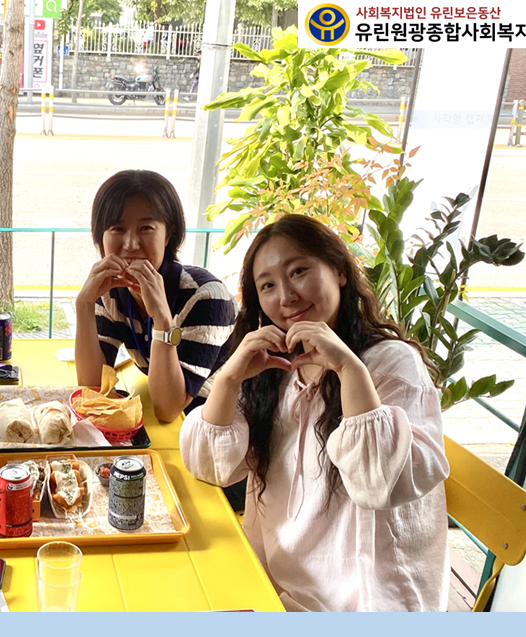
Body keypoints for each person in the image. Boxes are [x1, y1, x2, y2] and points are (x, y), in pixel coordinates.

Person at [179, 214, 449, 612]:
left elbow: (377, 485)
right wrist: (230, 378)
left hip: (364, 597)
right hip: (274, 577)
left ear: (340, 271)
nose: (286, 296)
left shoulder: (392, 363)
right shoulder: (277, 368)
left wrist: (348, 369)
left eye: (299, 271)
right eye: (267, 285)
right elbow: (210, 467)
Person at [74, 170, 237, 424]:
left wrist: (162, 320)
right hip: (174, 415)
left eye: (146, 228)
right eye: (117, 228)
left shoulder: (206, 297)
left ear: (168, 234)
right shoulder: (110, 293)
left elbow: (168, 408)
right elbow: (93, 387)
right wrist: (84, 306)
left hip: (224, 419)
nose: (130, 244)